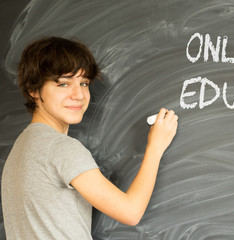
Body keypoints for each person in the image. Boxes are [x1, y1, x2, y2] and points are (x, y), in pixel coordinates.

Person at [1, 37, 178, 239]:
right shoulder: (60, 148)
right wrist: (155, 148)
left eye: (84, 83)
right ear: (34, 90)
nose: (79, 95)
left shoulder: (21, 149)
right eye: (63, 84)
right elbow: (130, 212)